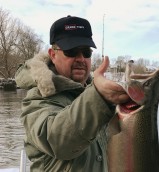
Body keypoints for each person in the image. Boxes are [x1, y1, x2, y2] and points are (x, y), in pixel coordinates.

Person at [15, 15, 129, 171]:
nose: (81, 58)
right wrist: (99, 96)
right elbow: (58, 141)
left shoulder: (96, 97)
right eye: (72, 51)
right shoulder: (37, 98)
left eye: (86, 52)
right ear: (53, 54)